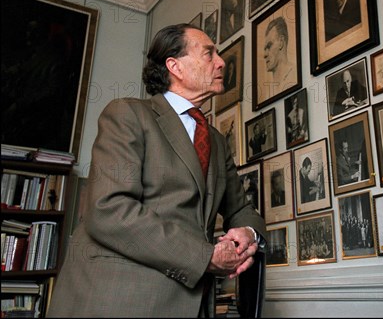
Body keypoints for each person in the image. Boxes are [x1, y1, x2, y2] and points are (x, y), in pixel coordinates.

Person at [46, 24, 266, 318]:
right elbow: (109, 210)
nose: (221, 61)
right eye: (209, 53)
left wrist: (248, 234)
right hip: (121, 299)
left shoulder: (216, 139)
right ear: (175, 66)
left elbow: (242, 210)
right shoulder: (127, 114)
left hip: (192, 303)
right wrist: (205, 257)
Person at [263, 16, 294, 96]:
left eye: (269, 46)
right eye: (265, 49)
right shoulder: (268, 91)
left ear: (281, 42)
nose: (265, 55)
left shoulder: (294, 76)